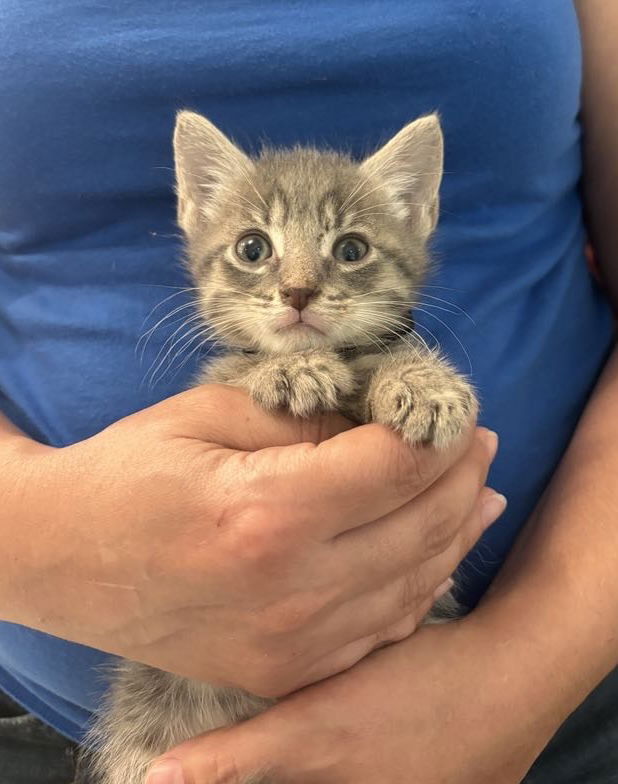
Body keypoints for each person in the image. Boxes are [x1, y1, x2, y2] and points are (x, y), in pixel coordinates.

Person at [0, 2, 616, 783]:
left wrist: (517, 682)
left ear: (416, 214)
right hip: (124, 726)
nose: (296, 285)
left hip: (543, 707)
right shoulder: (250, 366)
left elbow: (400, 379)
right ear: (196, 213)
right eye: (254, 249)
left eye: (349, 250)